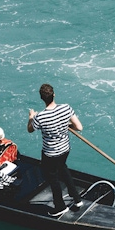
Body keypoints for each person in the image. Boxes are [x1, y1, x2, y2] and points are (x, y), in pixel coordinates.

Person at [27, 83, 83, 217]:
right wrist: (64, 124)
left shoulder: (40, 117)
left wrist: (30, 118)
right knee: (63, 168)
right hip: (65, 149)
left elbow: (30, 130)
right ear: (54, 95)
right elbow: (79, 127)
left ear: (42, 98)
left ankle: (60, 206)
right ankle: (77, 198)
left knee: (53, 179)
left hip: (50, 154)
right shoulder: (66, 108)